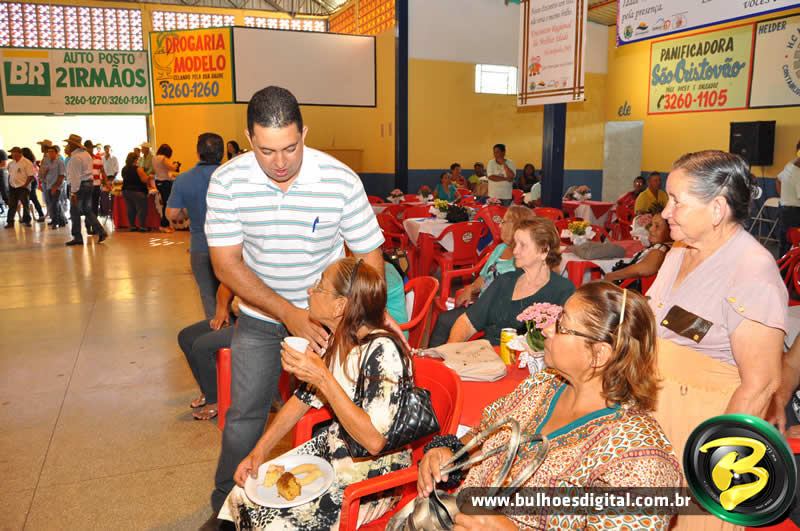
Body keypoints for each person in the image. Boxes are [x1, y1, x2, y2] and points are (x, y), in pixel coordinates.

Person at [204, 86, 387, 518]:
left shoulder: (340, 180)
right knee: (245, 415)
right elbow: (226, 265)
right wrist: (288, 313)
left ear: (304, 133)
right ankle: (226, 505)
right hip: (259, 317)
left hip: (325, 319)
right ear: (249, 139)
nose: (280, 162)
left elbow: (370, 258)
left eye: (290, 147)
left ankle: (319, 501)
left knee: (330, 407)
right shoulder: (228, 182)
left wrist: (366, 319)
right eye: (266, 151)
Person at [418, 283, 681, 529]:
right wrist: (448, 454)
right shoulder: (543, 385)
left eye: (562, 327)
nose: (546, 331)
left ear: (599, 354)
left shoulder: (640, 458)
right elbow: (483, 433)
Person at [219, 258, 410, 529]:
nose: (310, 291)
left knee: (276, 523)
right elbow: (302, 400)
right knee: (242, 495)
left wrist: (322, 376)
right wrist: (259, 452)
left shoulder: (382, 351)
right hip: (336, 451)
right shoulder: (337, 339)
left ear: (339, 306)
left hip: (375, 474)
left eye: (320, 286)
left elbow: (374, 442)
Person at [646, 151, 786, 482]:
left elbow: (760, 386)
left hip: (702, 430)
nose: (665, 212)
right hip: (655, 417)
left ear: (717, 209)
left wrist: (715, 464)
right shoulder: (679, 250)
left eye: (677, 201)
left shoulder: (751, 272)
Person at [431, 218, 574, 346]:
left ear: (544, 251)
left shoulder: (563, 291)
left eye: (522, 245)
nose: (515, 251)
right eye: (515, 244)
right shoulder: (505, 281)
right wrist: (451, 348)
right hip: (487, 356)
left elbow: (565, 343)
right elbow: (467, 321)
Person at [166, 132, 225, 319]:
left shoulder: (184, 179)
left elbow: (172, 214)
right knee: (235, 295)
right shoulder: (232, 176)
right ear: (222, 153)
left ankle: (216, 332)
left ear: (198, 153)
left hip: (200, 246)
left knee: (209, 296)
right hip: (233, 248)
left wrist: (186, 213)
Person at [179, 283, 235, 422]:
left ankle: (215, 400)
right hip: (239, 317)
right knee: (186, 337)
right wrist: (222, 309)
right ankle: (207, 390)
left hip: (259, 324)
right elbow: (225, 284)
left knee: (202, 346)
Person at [604, 213, 672, 287]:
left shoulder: (660, 249)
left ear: (670, 231)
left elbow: (645, 268)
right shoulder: (661, 247)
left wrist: (612, 276)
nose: (650, 229)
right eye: (651, 225)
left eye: (657, 226)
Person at [64, 134, 107, 245]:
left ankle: (77, 236)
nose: (67, 146)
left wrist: (73, 192)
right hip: (89, 184)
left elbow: (75, 177)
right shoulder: (86, 155)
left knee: (74, 211)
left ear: (72, 145)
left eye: (68, 144)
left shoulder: (75, 158)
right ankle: (101, 231)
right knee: (87, 209)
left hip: (80, 186)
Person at [777, 141, 800, 257]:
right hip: (794, 214)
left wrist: (784, 197)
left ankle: (782, 267)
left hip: (785, 210)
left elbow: (778, 179)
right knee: (793, 248)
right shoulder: (798, 172)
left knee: (785, 245)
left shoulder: (790, 165)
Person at [5, 146, 34, 228]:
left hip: (23, 186)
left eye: (13, 152)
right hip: (12, 186)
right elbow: (10, 173)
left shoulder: (27, 162)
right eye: (12, 153)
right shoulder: (11, 163)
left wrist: (25, 185)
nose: (12, 154)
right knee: (12, 205)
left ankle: (27, 221)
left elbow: (31, 176)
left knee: (25, 204)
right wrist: (10, 183)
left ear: (19, 153)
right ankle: (10, 222)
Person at [120, 152, 150, 232]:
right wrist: (149, 177)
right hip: (138, 191)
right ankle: (142, 226)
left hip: (126, 191)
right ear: (135, 160)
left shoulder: (124, 169)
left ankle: (132, 226)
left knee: (130, 209)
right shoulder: (138, 169)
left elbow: (124, 178)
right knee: (141, 209)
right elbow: (144, 180)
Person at [153, 143, 179, 233]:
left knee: (165, 203)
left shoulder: (154, 158)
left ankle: (166, 224)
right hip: (164, 182)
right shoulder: (163, 158)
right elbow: (172, 168)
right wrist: (176, 164)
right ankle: (164, 225)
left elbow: (162, 169)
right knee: (167, 204)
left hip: (157, 181)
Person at [40, 145, 67, 228]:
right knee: (52, 204)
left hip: (57, 186)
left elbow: (62, 175)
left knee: (54, 204)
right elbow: (44, 174)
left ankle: (56, 222)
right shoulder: (48, 162)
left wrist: (55, 187)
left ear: (56, 153)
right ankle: (61, 221)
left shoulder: (60, 162)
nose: (50, 153)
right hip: (48, 185)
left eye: (52, 152)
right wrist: (44, 173)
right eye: (49, 152)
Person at [21, 147, 45, 222]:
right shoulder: (32, 161)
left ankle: (41, 215)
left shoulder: (28, 162)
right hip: (32, 181)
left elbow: (31, 174)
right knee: (29, 199)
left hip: (31, 181)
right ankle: (28, 217)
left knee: (33, 199)